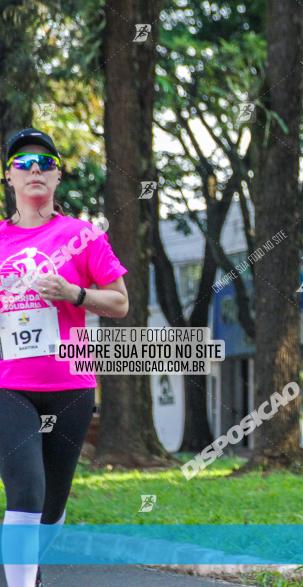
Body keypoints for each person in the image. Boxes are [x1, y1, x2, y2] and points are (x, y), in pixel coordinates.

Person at [0, 128, 129, 586]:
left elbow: (120, 303)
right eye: (23, 163)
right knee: (26, 491)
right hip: (9, 388)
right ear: (9, 178)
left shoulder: (81, 236)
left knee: (51, 507)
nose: (34, 170)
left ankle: (28, 570)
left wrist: (73, 292)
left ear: (57, 177)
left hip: (71, 389)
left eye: (44, 163)